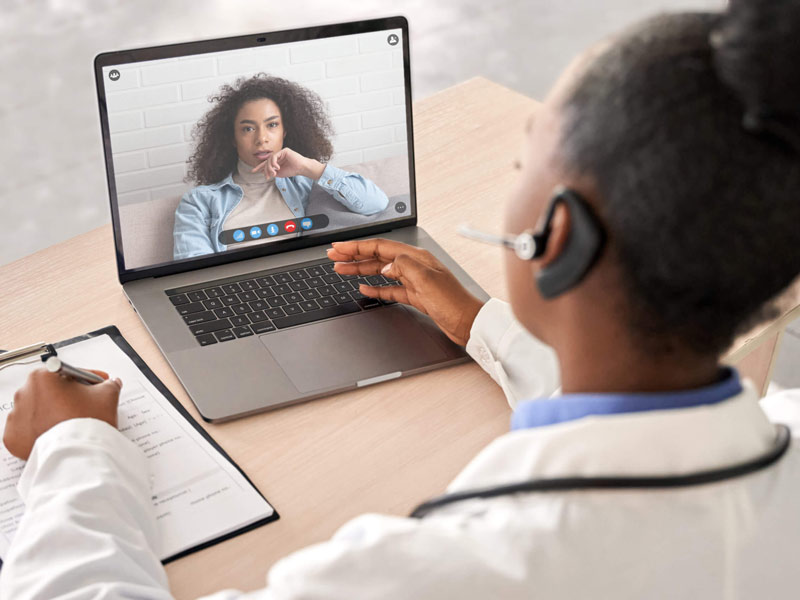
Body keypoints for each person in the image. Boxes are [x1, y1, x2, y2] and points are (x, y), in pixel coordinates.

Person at [4, 0, 800, 597]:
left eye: (524, 164)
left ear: (558, 240)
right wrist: (484, 324)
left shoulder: (420, 575)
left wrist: (74, 452)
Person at [173, 74, 389, 260]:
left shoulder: (308, 182)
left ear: (285, 131)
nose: (262, 139)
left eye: (272, 125)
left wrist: (310, 167)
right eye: (248, 129)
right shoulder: (199, 202)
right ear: (232, 138)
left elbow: (376, 204)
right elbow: (194, 273)